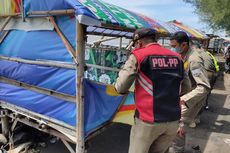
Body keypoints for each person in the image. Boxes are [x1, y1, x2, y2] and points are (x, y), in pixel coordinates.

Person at [114, 28, 184, 153]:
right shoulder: (178, 57)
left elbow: (120, 87)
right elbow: (185, 87)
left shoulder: (138, 55)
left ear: (139, 42)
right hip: (173, 121)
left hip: (148, 121)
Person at [169, 31, 211, 153]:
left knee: (178, 126)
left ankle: (178, 150)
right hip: (185, 95)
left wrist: (184, 99)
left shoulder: (194, 60)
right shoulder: (184, 55)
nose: (173, 49)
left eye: (174, 46)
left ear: (184, 45)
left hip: (190, 99)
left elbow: (204, 87)